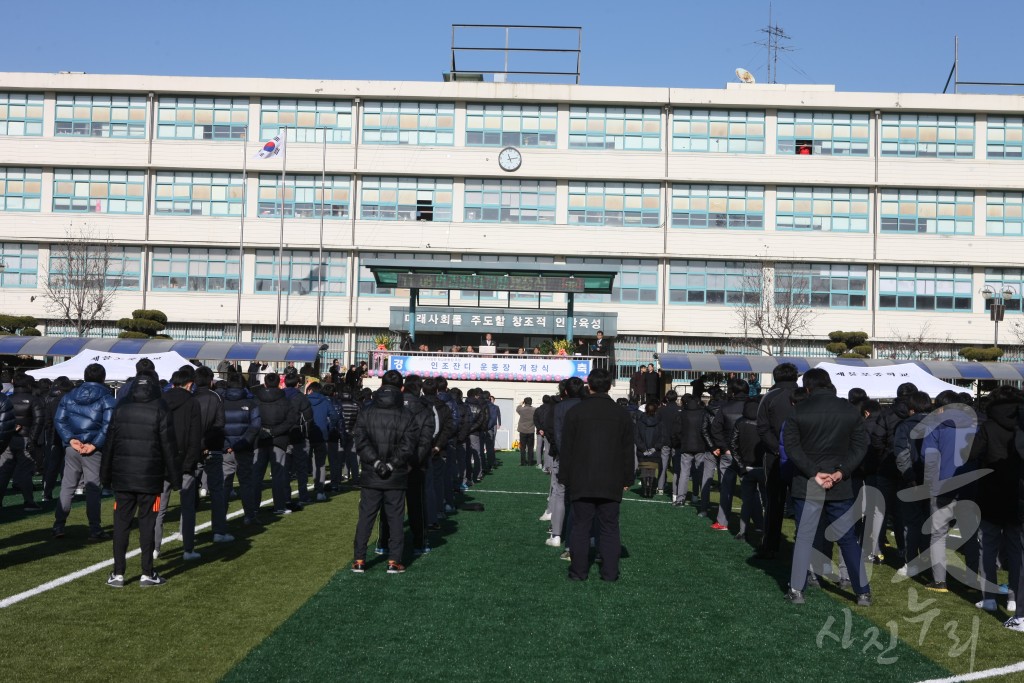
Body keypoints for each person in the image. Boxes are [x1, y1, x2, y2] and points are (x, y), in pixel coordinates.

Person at [783, 367, 871, 606]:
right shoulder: (850, 411)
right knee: (847, 538)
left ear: (808, 388)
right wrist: (842, 472)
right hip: (839, 482)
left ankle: (797, 589)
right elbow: (861, 446)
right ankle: (862, 591)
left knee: (804, 537)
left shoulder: (798, 411)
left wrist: (814, 472)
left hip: (809, 481)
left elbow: (792, 448)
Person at [101, 372, 179, 588]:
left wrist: (105, 475)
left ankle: (118, 573)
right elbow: (169, 447)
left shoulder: (122, 408)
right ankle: (147, 572)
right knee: (147, 524)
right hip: (149, 477)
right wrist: (175, 478)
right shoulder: (160, 409)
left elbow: (110, 443)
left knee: (121, 524)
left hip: (124, 477)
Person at [559, 368, 634, 582]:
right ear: (609, 386)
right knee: (610, 527)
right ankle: (610, 573)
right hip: (611, 478)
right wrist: (627, 478)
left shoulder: (576, 412)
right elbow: (628, 449)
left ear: (589, 386)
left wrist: (564, 476)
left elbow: (567, 449)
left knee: (580, 526)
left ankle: (578, 572)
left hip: (581, 477)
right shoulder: (621, 414)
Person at [351, 370, 418, 574]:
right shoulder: (406, 414)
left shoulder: (367, 411)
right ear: (402, 388)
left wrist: (377, 461)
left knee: (366, 518)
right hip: (394, 475)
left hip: (373, 473)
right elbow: (409, 446)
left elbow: (360, 441)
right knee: (395, 518)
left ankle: (359, 559)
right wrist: (390, 464)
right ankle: (393, 561)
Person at [52, 363, 116, 539]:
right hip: (91, 449)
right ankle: (94, 529)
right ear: (103, 378)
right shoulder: (107, 398)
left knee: (67, 486)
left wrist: (71, 439)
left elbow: (60, 420)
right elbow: (109, 425)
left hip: (74, 447)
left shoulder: (70, 396)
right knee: (93, 488)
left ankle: (59, 525)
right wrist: (94, 444)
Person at [156, 368, 204, 560]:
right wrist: (190, 462)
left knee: (158, 509)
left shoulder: (160, 401)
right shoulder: (192, 403)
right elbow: (195, 436)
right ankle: (188, 549)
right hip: (184, 461)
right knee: (187, 508)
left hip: (162, 461)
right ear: (190, 384)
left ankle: (154, 548)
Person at [756, 363, 799, 560]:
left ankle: (770, 545)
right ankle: (804, 547)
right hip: (802, 456)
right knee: (803, 502)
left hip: (774, 456)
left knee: (774, 501)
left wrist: (776, 448)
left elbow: (762, 427)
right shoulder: (805, 395)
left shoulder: (769, 397)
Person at [254, 373, 299, 515]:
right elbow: (291, 420)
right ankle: (279, 505)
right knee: (278, 474)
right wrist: (274, 432)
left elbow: (252, 418)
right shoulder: (285, 400)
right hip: (278, 440)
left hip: (261, 439)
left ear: (265, 383)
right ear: (279, 383)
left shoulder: (256, 399)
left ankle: (253, 507)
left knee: (256, 474)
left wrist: (263, 431)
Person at [221, 374, 262, 525]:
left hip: (227, 449)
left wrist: (227, 445)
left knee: (225, 483)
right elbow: (255, 426)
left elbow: (217, 425)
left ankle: (221, 518)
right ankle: (249, 516)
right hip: (243, 448)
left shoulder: (221, 402)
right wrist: (244, 443)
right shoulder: (250, 403)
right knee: (246, 483)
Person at [1, 373, 45, 512]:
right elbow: (39, 421)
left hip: (8, 438)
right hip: (25, 438)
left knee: (4, 471)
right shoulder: (34, 400)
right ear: (29, 385)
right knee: (26, 471)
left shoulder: (8, 398)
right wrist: (33, 439)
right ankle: (29, 502)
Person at [710, 378, 749, 531]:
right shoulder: (756, 406)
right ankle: (758, 523)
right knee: (752, 490)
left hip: (729, 452)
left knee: (726, 489)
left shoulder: (725, 407)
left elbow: (715, 429)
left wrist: (725, 448)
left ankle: (723, 521)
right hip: (747, 453)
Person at [516, 397, 536, 466]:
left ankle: (523, 462)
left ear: (525, 402)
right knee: (530, 447)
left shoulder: (521, 409)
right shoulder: (534, 410)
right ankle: (530, 462)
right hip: (531, 430)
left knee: (522, 447)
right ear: (531, 402)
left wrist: (521, 403)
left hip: (522, 430)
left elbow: (517, 408)